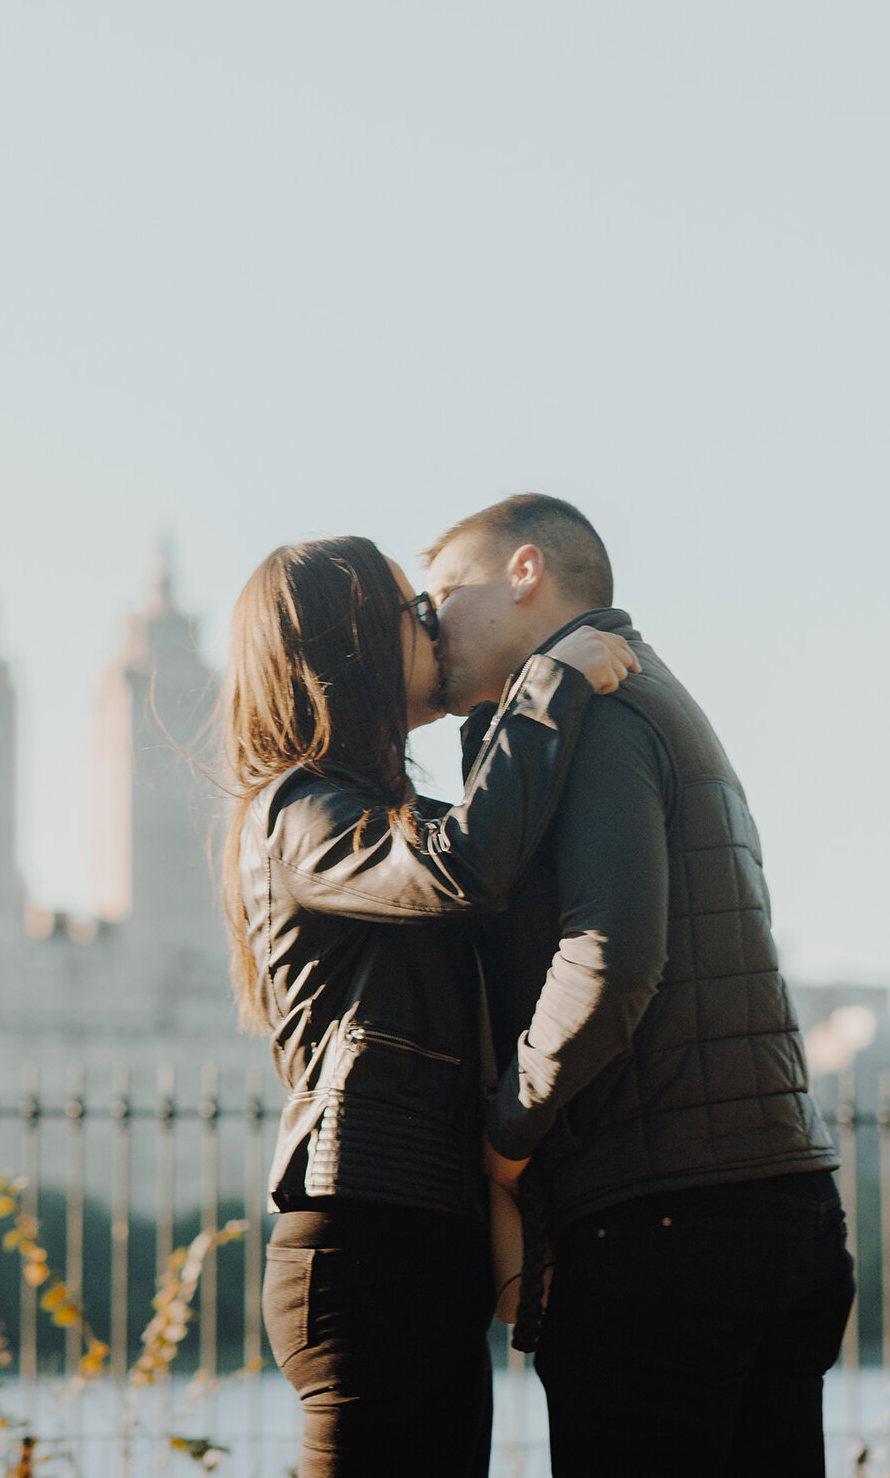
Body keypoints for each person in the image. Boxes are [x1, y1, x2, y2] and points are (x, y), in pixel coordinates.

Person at [424, 493, 855, 1478]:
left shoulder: (597, 711)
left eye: (445, 593)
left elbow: (611, 955)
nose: (431, 621)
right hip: (771, 1203)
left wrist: (507, 1128)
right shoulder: (653, 695)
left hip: (666, 1233)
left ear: (523, 572)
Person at [221, 533, 635, 1478]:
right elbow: (464, 870)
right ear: (351, 646)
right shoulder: (299, 809)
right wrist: (547, 684)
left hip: (420, 1243)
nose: (434, 627)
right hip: (363, 1249)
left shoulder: (387, 809)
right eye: (412, 612)